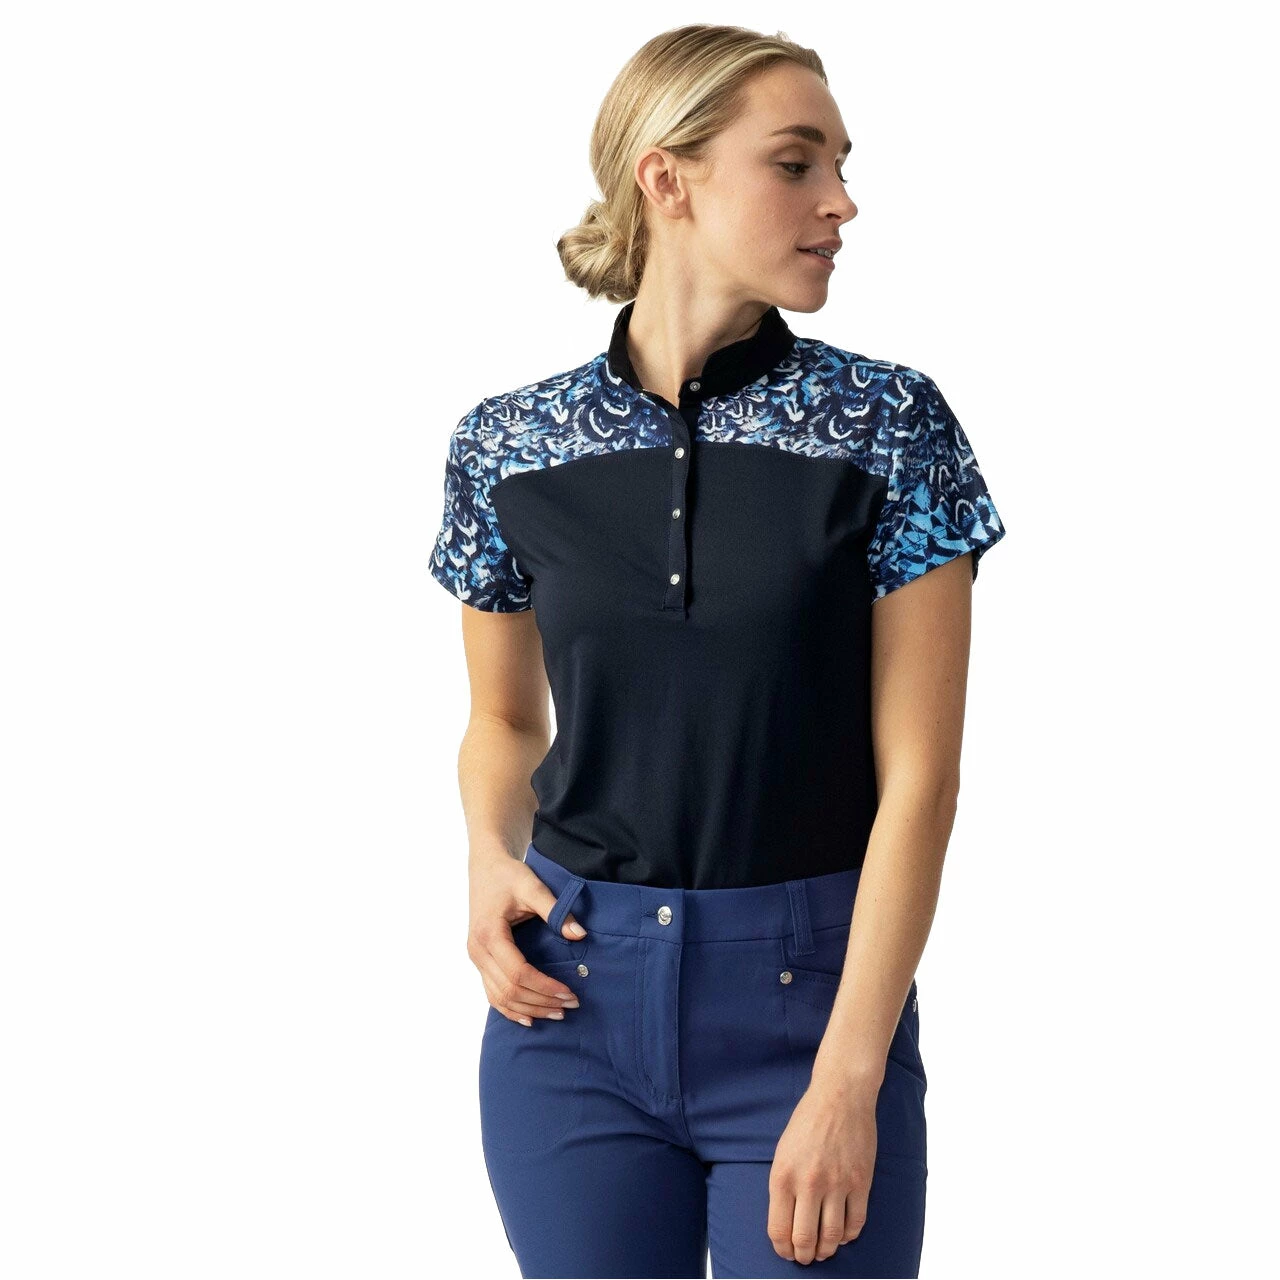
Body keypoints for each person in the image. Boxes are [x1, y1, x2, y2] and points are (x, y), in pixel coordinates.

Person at [428, 23, 1007, 1279]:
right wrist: (485, 858)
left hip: (812, 1002)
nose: (839, 201)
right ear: (666, 178)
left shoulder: (887, 424)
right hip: (568, 1003)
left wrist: (849, 1076)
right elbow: (505, 719)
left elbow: (920, 779)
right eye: (795, 163)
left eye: (840, 165)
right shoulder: (507, 444)